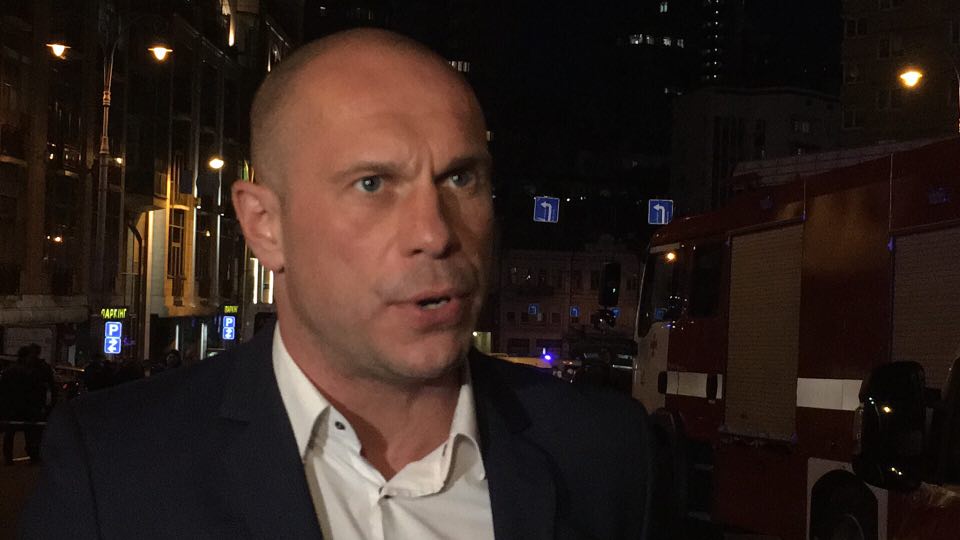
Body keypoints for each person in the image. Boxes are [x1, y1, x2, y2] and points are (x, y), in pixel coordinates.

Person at [20, 29, 660, 538]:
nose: (434, 232)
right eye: (372, 184)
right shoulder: (116, 466)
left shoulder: (605, 453)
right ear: (265, 225)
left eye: (461, 178)